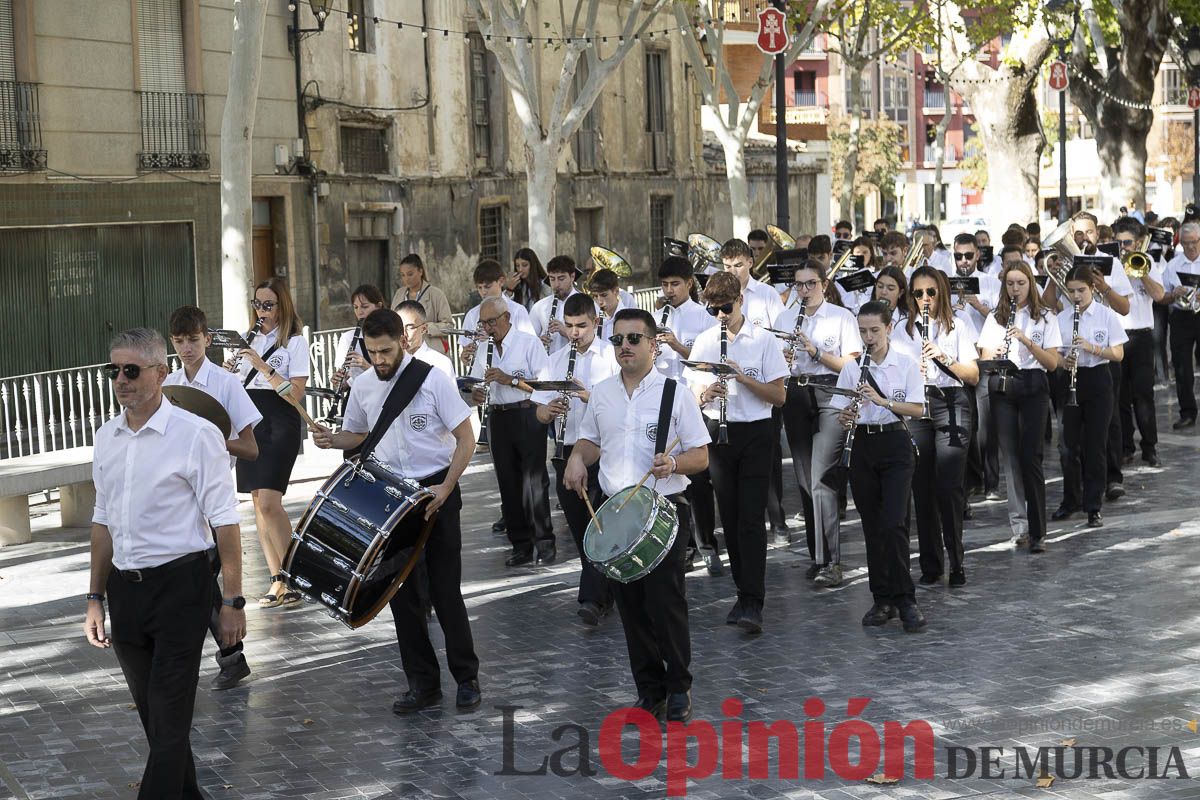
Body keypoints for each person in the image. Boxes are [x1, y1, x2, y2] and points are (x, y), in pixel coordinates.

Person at [84, 327, 246, 800]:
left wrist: (233, 601)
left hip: (182, 587)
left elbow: (226, 523)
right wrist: (94, 597)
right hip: (125, 592)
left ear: (161, 372)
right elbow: (101, 521)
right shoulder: (106, 438)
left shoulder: (196, 436)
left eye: (131, 370)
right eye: (112, 370)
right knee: (158, 721)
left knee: (170, 715)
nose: (120, 379)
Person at [310, 309, 482, 714]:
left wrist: (447, 486)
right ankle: (423, 685)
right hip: (391, 496)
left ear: (402, 342)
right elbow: (358, 434)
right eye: (371, 352)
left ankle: (466, 677)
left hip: (437, 488)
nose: (379, 360)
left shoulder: (433, 378)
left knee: (444, 591)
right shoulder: (364, 384)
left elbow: (466, 438)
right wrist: (332, 439)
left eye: (385, 351)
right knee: (400, 594)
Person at [565, 308, 710, 722]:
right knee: (630, 607)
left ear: (652, 344)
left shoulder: (674, 393)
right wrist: (577, 457)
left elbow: (701, 454)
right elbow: (591, 440)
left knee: (666, 604)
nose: (624, 347)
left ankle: (679, 686)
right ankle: (650, 690)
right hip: (616, 513)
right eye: (618, 340)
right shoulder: (603, 392)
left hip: (663, 509)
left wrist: (675, 465)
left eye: (633, 339)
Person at [684, 272, 788, 633]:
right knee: (728, 517)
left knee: (750, 518)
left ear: (740, 300)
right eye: (714, 310)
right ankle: (742, 593)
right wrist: (705, 393)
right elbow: (690, 389)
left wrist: (743, 379)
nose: (721, 317)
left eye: (726, 308)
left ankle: (753, 600)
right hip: (717, 431)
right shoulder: (705, 340)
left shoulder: (762, 340)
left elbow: (779, 396)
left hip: (756, 432)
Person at [164, 306, 260, 691]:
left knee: (198, 578)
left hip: (214, 498)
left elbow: (251, 448)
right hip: (179, 495)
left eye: (193, 339)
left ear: (207, 338)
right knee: (195, 580)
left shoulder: (226, 383)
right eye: (179, 341)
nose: (187, 348)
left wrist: (208, 442)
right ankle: (230, 658)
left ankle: (225, 657)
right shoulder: (168, 383)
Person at [830, 302, 927, 632]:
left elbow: (916, 408)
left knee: (893, 522)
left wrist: (883, 401)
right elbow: (840, 412)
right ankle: (882, 598)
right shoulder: (851, 368)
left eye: (875, 330)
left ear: (888, 329)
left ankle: (906, 599)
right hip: (863, 446)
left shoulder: (906, 364)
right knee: (872, 525)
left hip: (896, 443)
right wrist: (846, 417)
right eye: (863, 331)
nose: (869, 337)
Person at [532, 294, 619, 624]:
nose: (574, 333)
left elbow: (621, 404)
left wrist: (586, 394)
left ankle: (592, 599)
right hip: (564, 451)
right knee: (582, 530)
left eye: (581, 326)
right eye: (569, 326)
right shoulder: (555, 360)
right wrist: (547, 410)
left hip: (602, 453)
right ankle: (605, 592)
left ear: (595, 323)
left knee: (598, 527)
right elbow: (538, 410)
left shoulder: (611, 358)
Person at [776, 259, 860, 587]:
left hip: (830, 393)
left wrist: (815, 353)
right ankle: (817, 556)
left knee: (821, 477)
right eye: (799, 285)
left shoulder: (841, 317)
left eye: (811, 284)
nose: (805, 290)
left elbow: (851, 365)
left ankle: (830, 562)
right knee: (804, 479)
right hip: (797, 394)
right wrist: (782, 361)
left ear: (824, 285)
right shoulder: (785, 318)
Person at [894, 268, 979, 586]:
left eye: (931, 292)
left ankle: (957, 561)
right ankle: (931, 565)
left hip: (952, 403)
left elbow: (972, 376)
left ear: (941, 291)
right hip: (918, 405)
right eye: (918, 294)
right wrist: (910, 373)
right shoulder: (902, 330)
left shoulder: (958, 324)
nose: (925, 299)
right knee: (923, 488)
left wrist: (943, 357)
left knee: (949, 487)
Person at [227, 277, 309, 607]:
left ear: (282, 305)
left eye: (268, 305)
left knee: (271, 503)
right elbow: (236, 386)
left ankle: (294, 574)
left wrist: (261, 365)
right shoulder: (248, 339)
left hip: (279, 421)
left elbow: (296, 393)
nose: (262, 311)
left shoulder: (294, 342)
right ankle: (277, 580)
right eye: (257, 304)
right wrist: (230, 369)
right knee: (258, 502)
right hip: (250, 420)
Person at [977, 261, 1063, 552]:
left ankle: (1039, 531)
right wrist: (997, 352)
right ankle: (1020, 527)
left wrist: (1026, 341)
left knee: (1031, 457)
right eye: (1010, 284)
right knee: (1011, 460)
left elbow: (1052, 364)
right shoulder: (996, 318)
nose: (1015, 289)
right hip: (1003, 386)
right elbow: (985, 357)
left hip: (1034, 384)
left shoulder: (1046, 317)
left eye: (1021, 283)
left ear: (1031, 284)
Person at [468, 296, 553, 565]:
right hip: (498, 417)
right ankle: (521, 544)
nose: (488, 328)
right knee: (507, 481)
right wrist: (475, 394)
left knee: (534, 481)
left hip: (527, 413)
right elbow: (473, 384)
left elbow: (544, 385)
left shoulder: (529, 343)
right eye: (483, 324)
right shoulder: (484, 350)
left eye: (491, 322)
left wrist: (510, 379)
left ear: (507, 318)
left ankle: (544, 541)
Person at [654, 256, 722, 575]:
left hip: (694, 402)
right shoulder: (655, 316)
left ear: (689, 284)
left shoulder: (704, 317)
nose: (669, 291)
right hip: (661, 403)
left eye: (675, 284)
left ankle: (707, 544)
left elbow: (706, 363)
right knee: (670, 477)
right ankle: (682, 545)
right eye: (665, 285)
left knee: (698, 480)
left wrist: (678, 346)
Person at [720, 237, 788, 535]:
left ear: (750, 262)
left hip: (763, 384)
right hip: (729, 395)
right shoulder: (720, 294)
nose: (732, 271)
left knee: (769, 457)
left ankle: (776, 517)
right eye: (726, 266)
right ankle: (746, 520)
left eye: (738, 265)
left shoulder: (767, 295)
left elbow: (782, 335)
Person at [1052, 265, 1128, 529]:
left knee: (1096, 445)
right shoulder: (1061, 319)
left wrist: (1091, 347)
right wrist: (1064, 360)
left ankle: (1093, 505)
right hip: (1071, 381)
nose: (1076, 296)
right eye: (1071, 291)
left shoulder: (1106, 316)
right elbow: (1053, 357)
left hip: (1098, 380)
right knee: (1067, 447)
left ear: (1092, 289)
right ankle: (1070, 500)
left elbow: (1118, 354)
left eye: (1081, 290)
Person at [1110, 217, 1165, 468]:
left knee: (1144, 395)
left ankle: (1149, 447)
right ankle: (1125, 447)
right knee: (1120, 397)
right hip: (1119, 336)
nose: (1123, 248)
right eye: (1119, 243)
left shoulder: (1148, 262)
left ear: (1139, 242)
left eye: (1128, 242)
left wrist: (1141, 273)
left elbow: (1159, 295)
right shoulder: (1112, 264)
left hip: (1142, 335)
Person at [1163, 221, 1200, 430]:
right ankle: (1187, 412)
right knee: (1182, 367)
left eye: (1194, 242)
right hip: (1181, 317)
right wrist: (1172, 294)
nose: (1191, 247)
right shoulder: (1173, 265)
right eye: (1186, 243)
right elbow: (1162, 298)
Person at [331, 284, 386, 400]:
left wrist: (366, 366)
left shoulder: (390, 335)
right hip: (356, 399)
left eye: (364, 307)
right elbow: (346, 385)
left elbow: (393, 378)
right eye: (355, 307)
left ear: (379, 306)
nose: (359, 312)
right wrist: (339, 382)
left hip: (383, 397)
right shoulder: (348, 338)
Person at [390, 253, 453, 352]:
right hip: (405, 351)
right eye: (403, 275)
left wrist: (427, 327)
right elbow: (392, 321)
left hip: (432, 350)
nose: (406, 278)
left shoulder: (436, 294)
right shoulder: (399, 294)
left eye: (410, 274)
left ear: (420, 271)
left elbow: (449, 326)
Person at [530, 255, 582, 353]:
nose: (556, 284)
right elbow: (527, 340)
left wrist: (566, 332)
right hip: (547, 364)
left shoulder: (586, 304)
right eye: (552, 279)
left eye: (561, 279)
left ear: (572, 277)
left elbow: (594, 339)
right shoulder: (539, 307)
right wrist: (537, 342)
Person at [396, 300, 455, 377]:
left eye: (410, 327)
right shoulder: (389, 364)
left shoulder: (441, 364)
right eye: (398, 327)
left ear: (423, 329)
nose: (403, 334)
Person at [588, 267, 629, 342]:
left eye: (604, 295)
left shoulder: (629, 319)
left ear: (616, 291)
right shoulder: (595, 320)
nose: (600, 301)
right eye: (595, 296)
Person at [508, 247, 549, 313]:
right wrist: (509, 289)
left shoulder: (545, 284)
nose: (520, 269)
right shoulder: (519, 286)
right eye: (517, 266)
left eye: (524, 265)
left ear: (533, 265)